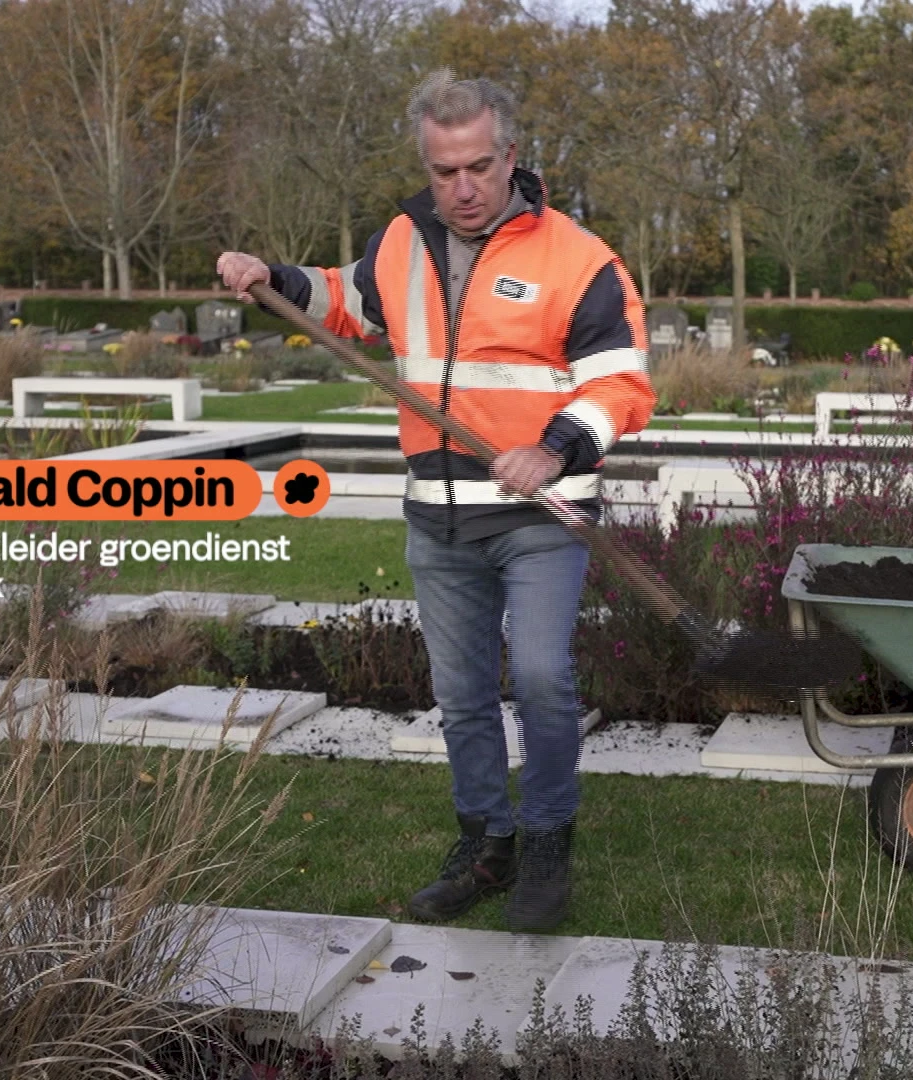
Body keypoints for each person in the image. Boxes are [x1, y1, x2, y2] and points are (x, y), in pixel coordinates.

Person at [215, 70, 654, 932]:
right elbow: (344, 298)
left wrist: (554, 445)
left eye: (478, 168)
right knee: (458, 695)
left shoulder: (579, 259)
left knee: (539, 678)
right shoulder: (403, 240)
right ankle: (484, 844)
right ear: (427, 160)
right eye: (444, 169)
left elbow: (623, 385)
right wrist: (272, 275)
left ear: (511, 157)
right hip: (439, 517)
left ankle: (547, 844)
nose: (461, 188)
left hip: (541, 517)